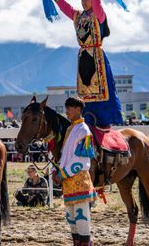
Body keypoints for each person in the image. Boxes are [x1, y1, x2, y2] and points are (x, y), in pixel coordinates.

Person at [42, 0, 122, 128]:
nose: (83, 2)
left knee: (100, 91)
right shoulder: (78, 16)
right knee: (85, 92)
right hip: (84, 57)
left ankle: (103, 123)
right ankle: (87, 119)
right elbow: (65, 7)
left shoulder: (99, 16)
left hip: (96, 57)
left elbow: (98, 5)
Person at [52, 96, 96, 246]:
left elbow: (81, 158)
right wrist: (55, 169)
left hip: (79, 179)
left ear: (78, 109)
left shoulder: (84, 130)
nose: (67, 111)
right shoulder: (71, 129)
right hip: (69, 181)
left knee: (82, 218)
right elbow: (65, 154)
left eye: (70, 108)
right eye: (66, 108)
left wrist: (61, 174)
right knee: (72, 219)